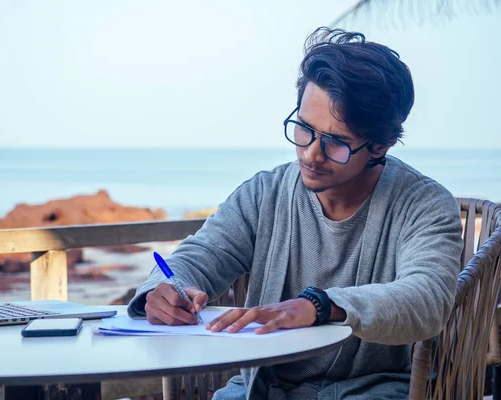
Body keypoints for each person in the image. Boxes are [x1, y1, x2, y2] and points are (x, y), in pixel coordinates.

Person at [127, 26, 463, 400]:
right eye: (304, 129)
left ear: (380, 145)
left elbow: (427, 299)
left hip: (372, 392)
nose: (310, 154)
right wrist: (159, 293)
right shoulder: (264, 193)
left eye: (336, 142)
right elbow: (201, 255)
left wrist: (319, 306)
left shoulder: (424, 205)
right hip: (259, 391)